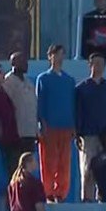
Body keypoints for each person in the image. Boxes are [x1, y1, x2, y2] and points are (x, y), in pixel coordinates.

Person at [76, 53, 106, 202]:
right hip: (89, 135)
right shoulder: (81, 88)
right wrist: (77, 133)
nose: (98, 67)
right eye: (95, 63)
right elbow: (78, 112)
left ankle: (103, 198)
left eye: (101, 64)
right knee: (88, 169)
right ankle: (87, 199)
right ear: (90, 65)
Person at [36, 43, 77, 202]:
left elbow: (72, 104)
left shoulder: (69, 80)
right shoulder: (43, 78)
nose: (59, 58)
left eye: (61, 54)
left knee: (64, 162)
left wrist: (73, 125)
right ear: (50, 56)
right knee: (48, 161)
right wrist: (42, 121)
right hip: (50, 127)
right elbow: (40, 102)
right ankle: (47, 192)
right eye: (56, 54)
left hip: (66, 126)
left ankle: (60, 193)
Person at [3, 51, 38, 157]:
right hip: (17, 132)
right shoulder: (8, 81)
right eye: (23, 61)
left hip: (30, 132)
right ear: (14, 63)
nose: (26, 64)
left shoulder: (29, 82)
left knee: (29, 162)